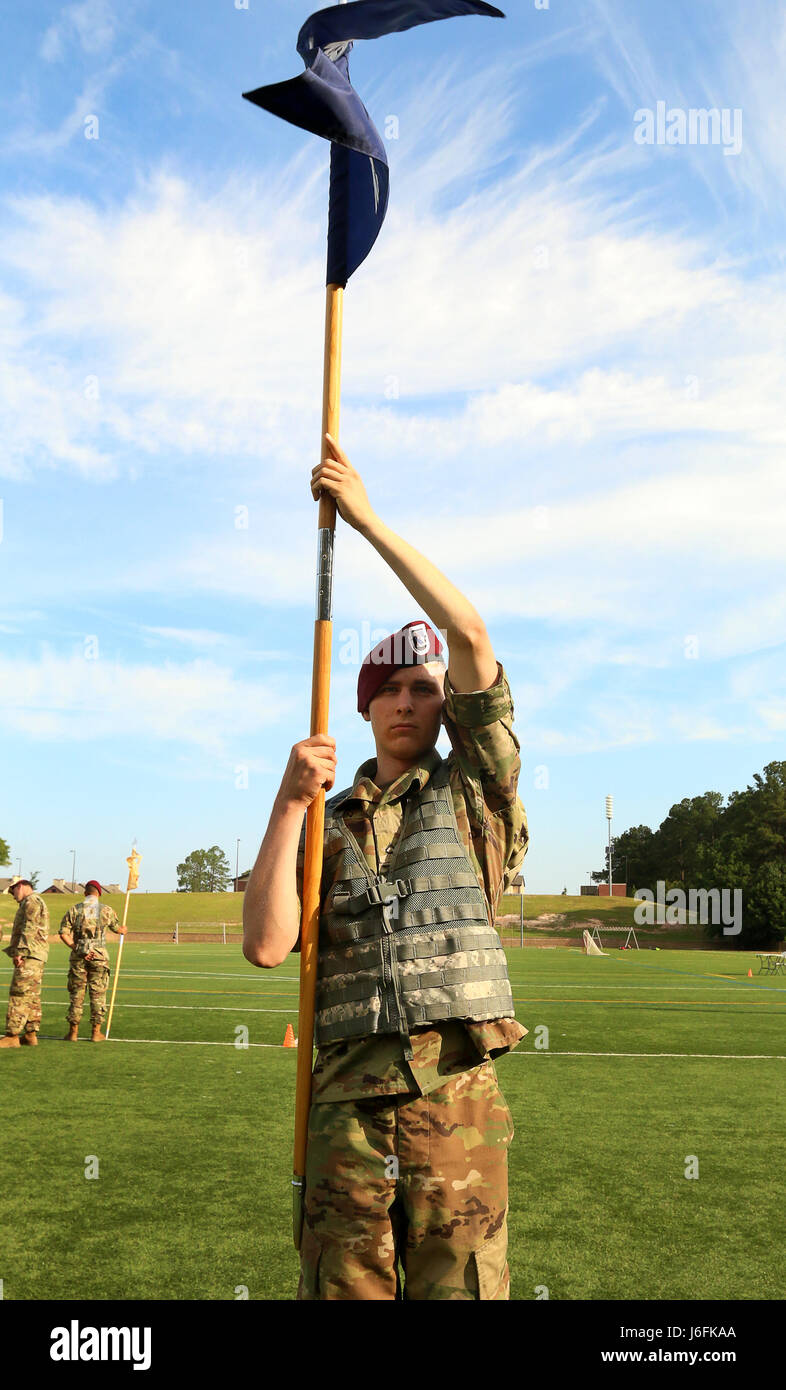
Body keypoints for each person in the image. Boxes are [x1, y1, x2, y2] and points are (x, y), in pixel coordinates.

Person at [243, 434, 529, 1300]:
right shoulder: (324, 819)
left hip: (454, 1104)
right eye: (390, 690)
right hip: (344, 1113)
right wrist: (290, 803)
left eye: (424, 691)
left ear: (446, 709)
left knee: (462, 1291)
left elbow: (470, 633)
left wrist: (365, 520)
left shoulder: (477, 790)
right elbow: (266, 946)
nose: (407, 701)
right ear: (366, 706)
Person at [59, 880, 125, 1042]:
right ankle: (96, 1032)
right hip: (99, 956)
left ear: (85, 893)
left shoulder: (74, 910)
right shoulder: (106, 910)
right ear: (99, 893)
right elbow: (118, 929)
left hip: (78, 956)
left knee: (77, 994)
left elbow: (63, 933)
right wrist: (123, 929)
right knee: (98, 994)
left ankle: (73, 1032)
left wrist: (76, 948)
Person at [1, 878, 51, 1048]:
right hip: (35, 954)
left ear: (20, 886)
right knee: (32, 995)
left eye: (13, 891)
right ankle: (30, 1034)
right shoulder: (32, 901)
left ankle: (12, 1036)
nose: (13, 896)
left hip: (29, 954)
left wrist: (20, 952)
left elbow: (29, 927)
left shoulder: (31, 901)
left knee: (19, 992)